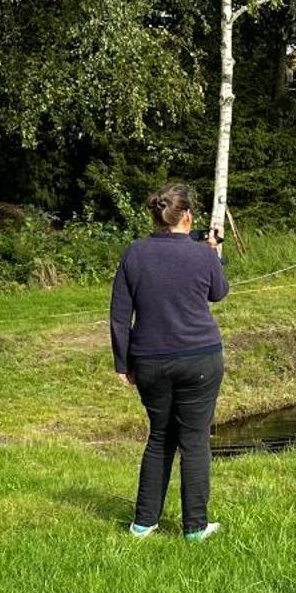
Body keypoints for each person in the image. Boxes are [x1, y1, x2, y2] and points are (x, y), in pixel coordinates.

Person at [111, 182, 228, 541]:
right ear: (188, 216)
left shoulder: (134, 253)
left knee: (160, 437)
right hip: (200, 359)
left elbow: (119, 314)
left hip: (149, 361)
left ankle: (143, 523)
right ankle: (195, 527)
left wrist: (122, 363)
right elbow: (218, 292)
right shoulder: (202, 254)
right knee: (194, 440)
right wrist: (213, 252)